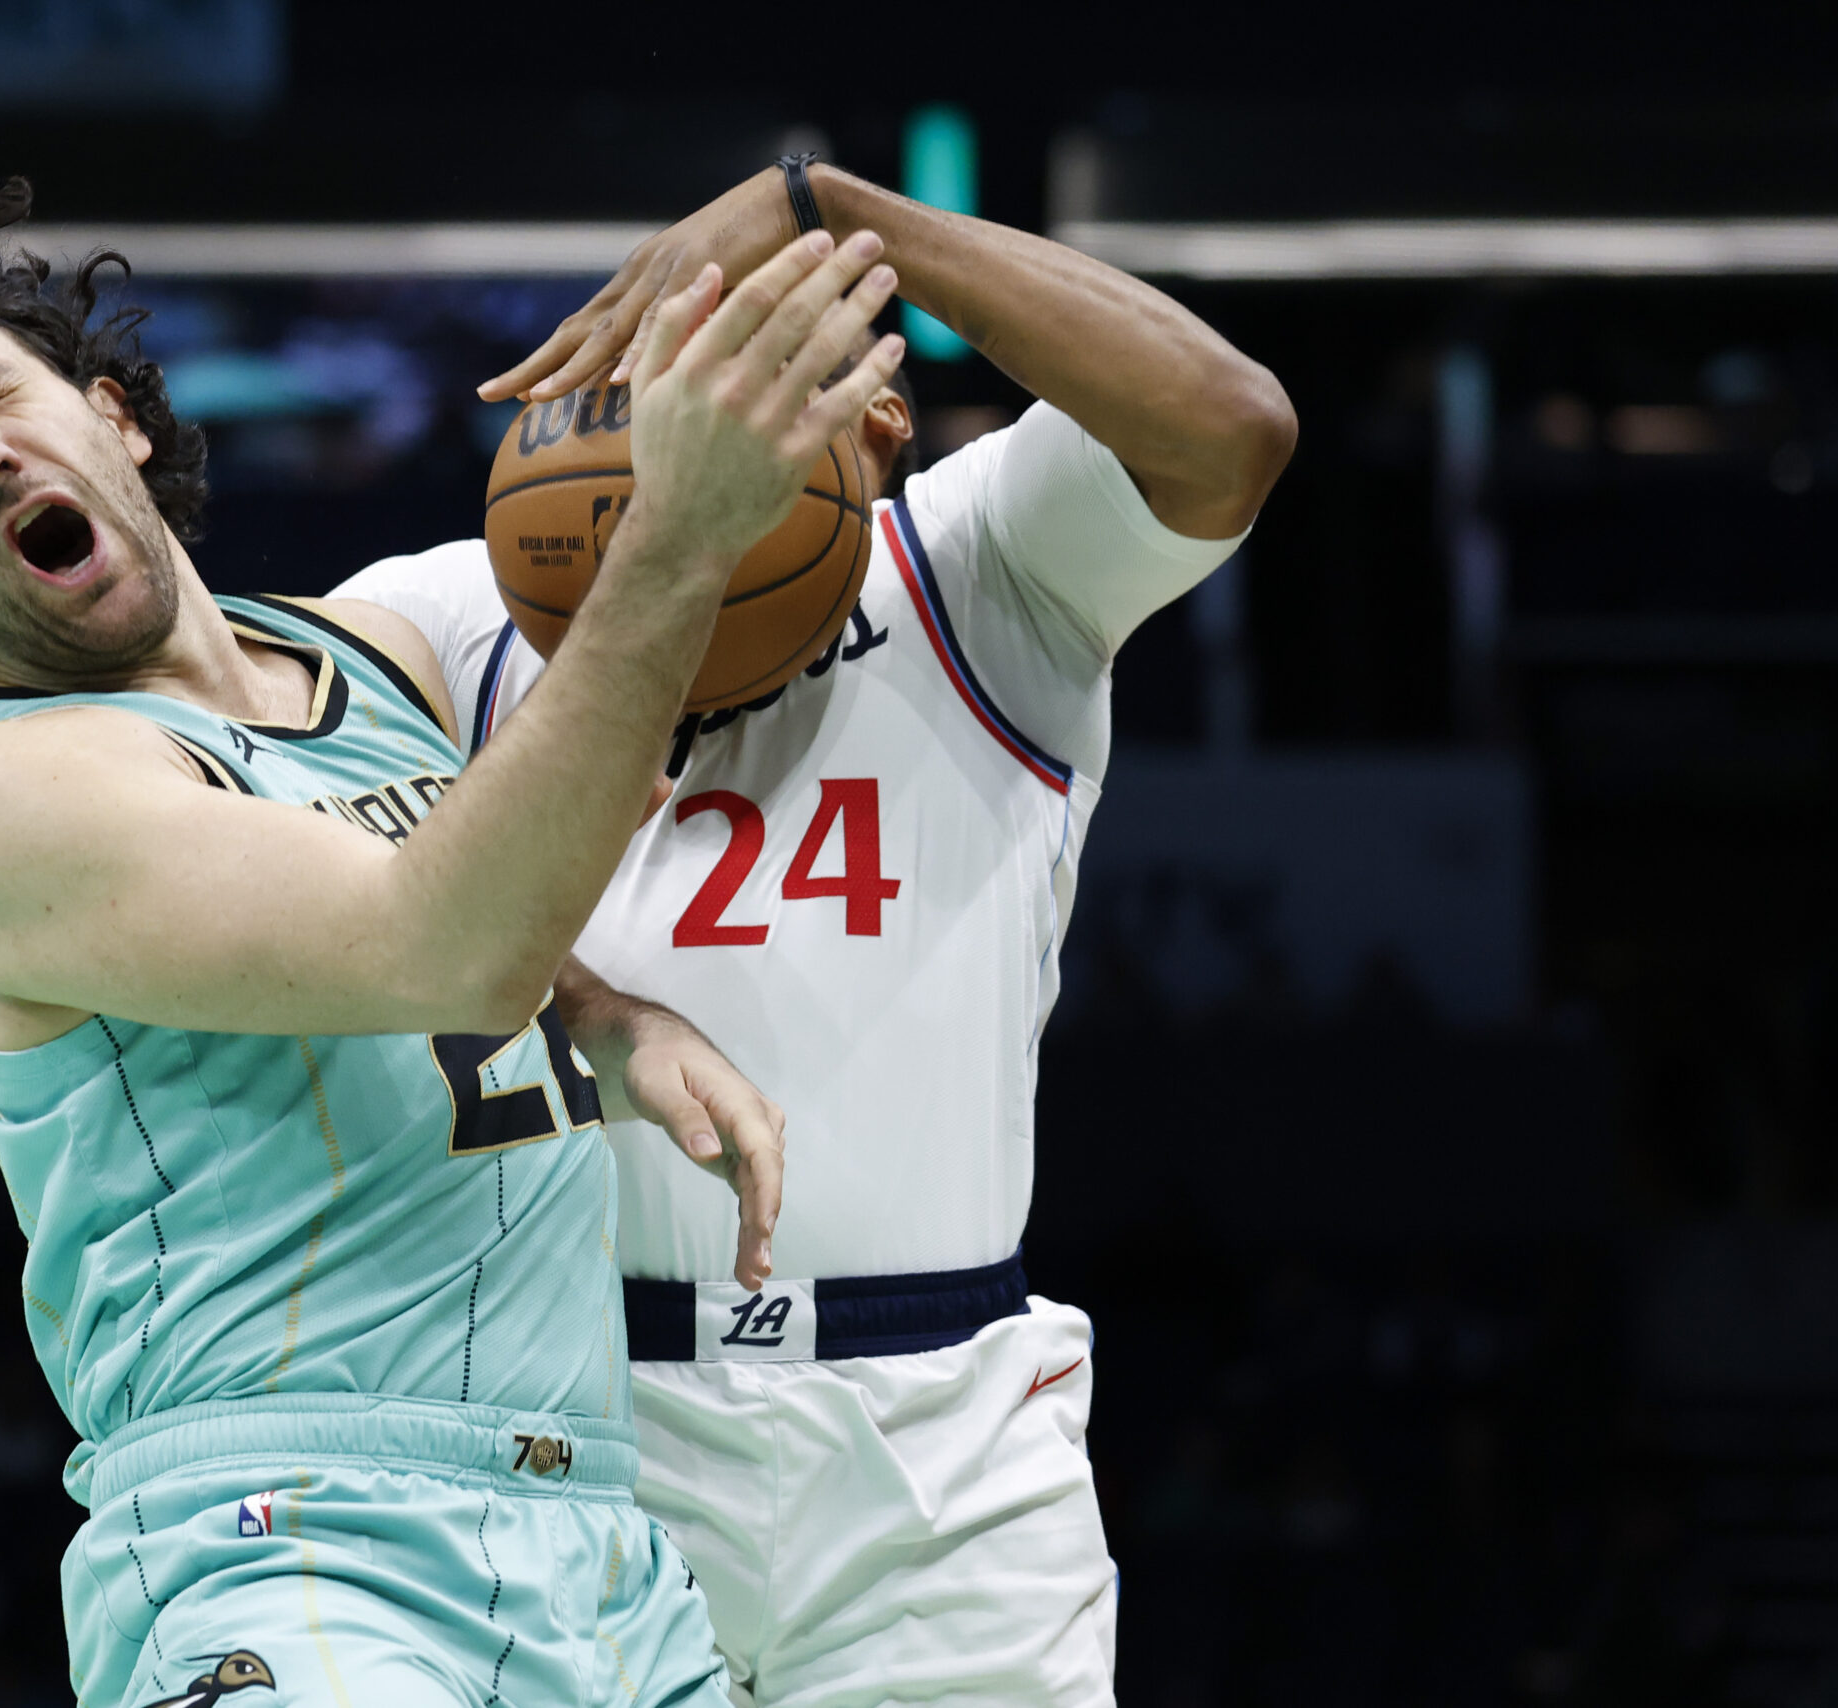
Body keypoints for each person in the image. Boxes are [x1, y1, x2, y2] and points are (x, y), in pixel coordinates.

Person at [0, 176, 909, 1708]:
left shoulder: (370, 658)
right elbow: (440, 937)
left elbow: (458, 919)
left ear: (115, 417)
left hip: (604, 1554)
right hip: (294, 1537)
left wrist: (605, 1016)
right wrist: (678, 533)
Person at [332, 156, 1297, 1706]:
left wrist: (845, 215)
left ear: (880, 416)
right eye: (661, 395)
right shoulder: (450, 620)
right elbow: (290, 861)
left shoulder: (985, 571)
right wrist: (584, 998)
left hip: (947, 1458)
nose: (699, 438)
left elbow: (1233, 428)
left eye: (761, 384)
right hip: (564, 1424)